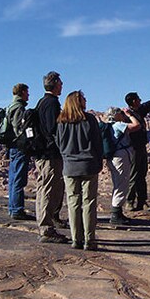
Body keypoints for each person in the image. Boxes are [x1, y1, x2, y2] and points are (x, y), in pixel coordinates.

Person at [56, 91, 103, 250]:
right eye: (83, 98)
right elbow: (97, 143)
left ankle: (76, 239)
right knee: (89, 202)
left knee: (73, 203)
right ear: (78, 101)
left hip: (69, 166)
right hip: (89, 165)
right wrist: (98, 161)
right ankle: (90, 240)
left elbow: (59, 144)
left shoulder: (62, 122)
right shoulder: (89, 119)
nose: (86, 100)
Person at [35, 71, 68, 244]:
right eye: (60, 82)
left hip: (45, 153)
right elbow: (52, 130)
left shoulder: (43, 102)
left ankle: (49, 223)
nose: (62, 85)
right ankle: (46, 229)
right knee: (48, 189)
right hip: (49, 154)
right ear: (54, 84)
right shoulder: (51, 103)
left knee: (46, 188)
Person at [104, 107, 141, 225]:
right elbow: (136, 126)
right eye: (120, 113)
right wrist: (129, 115)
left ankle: (118, 213)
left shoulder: (109, 126)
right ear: (116, 115)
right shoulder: (118, 125)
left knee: (118, 183)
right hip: (120, 157)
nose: (122, 114)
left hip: (114, 157)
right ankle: (116, 214)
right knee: (122, 184)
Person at [7, 83, 34, 220]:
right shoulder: (18, 108)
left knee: (13, 178)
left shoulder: (11, 106)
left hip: (13, 147)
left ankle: (13, 208)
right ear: (22, 92)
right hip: (19, 147)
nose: (28, 95)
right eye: (27, 92)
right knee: (18, 178)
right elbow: (19, 129)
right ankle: (17, 210)